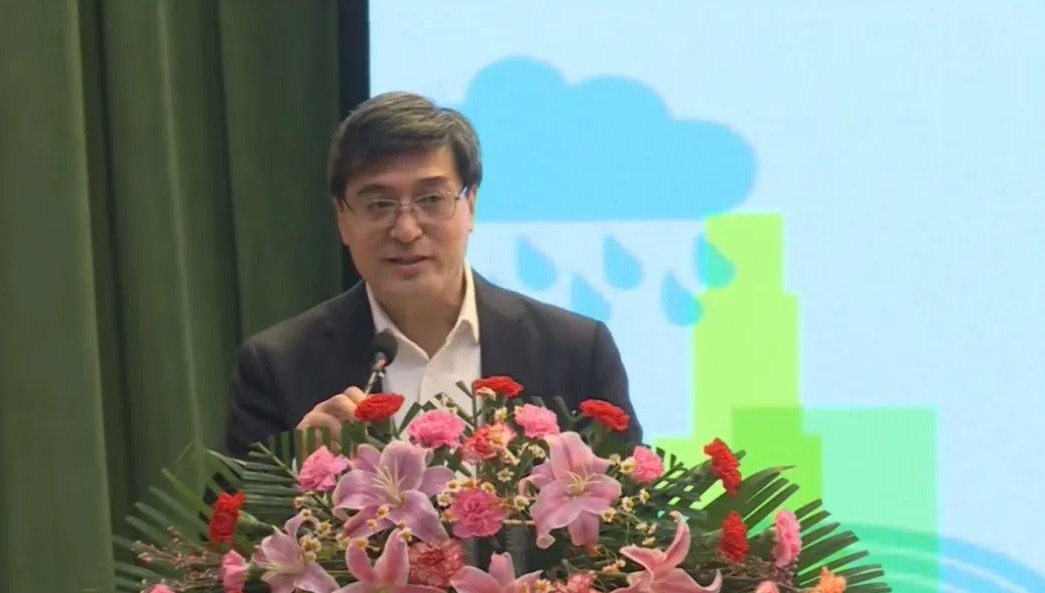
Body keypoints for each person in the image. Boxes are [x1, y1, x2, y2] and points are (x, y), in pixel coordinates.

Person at [221, 90, 642, 460]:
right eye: (379, 205)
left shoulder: (575, 352)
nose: (406, 230)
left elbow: (630, 514)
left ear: (469, 205)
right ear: (342, 219)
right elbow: (228, 523)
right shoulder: (280, 366)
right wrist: (296, 469)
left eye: (431, 199)